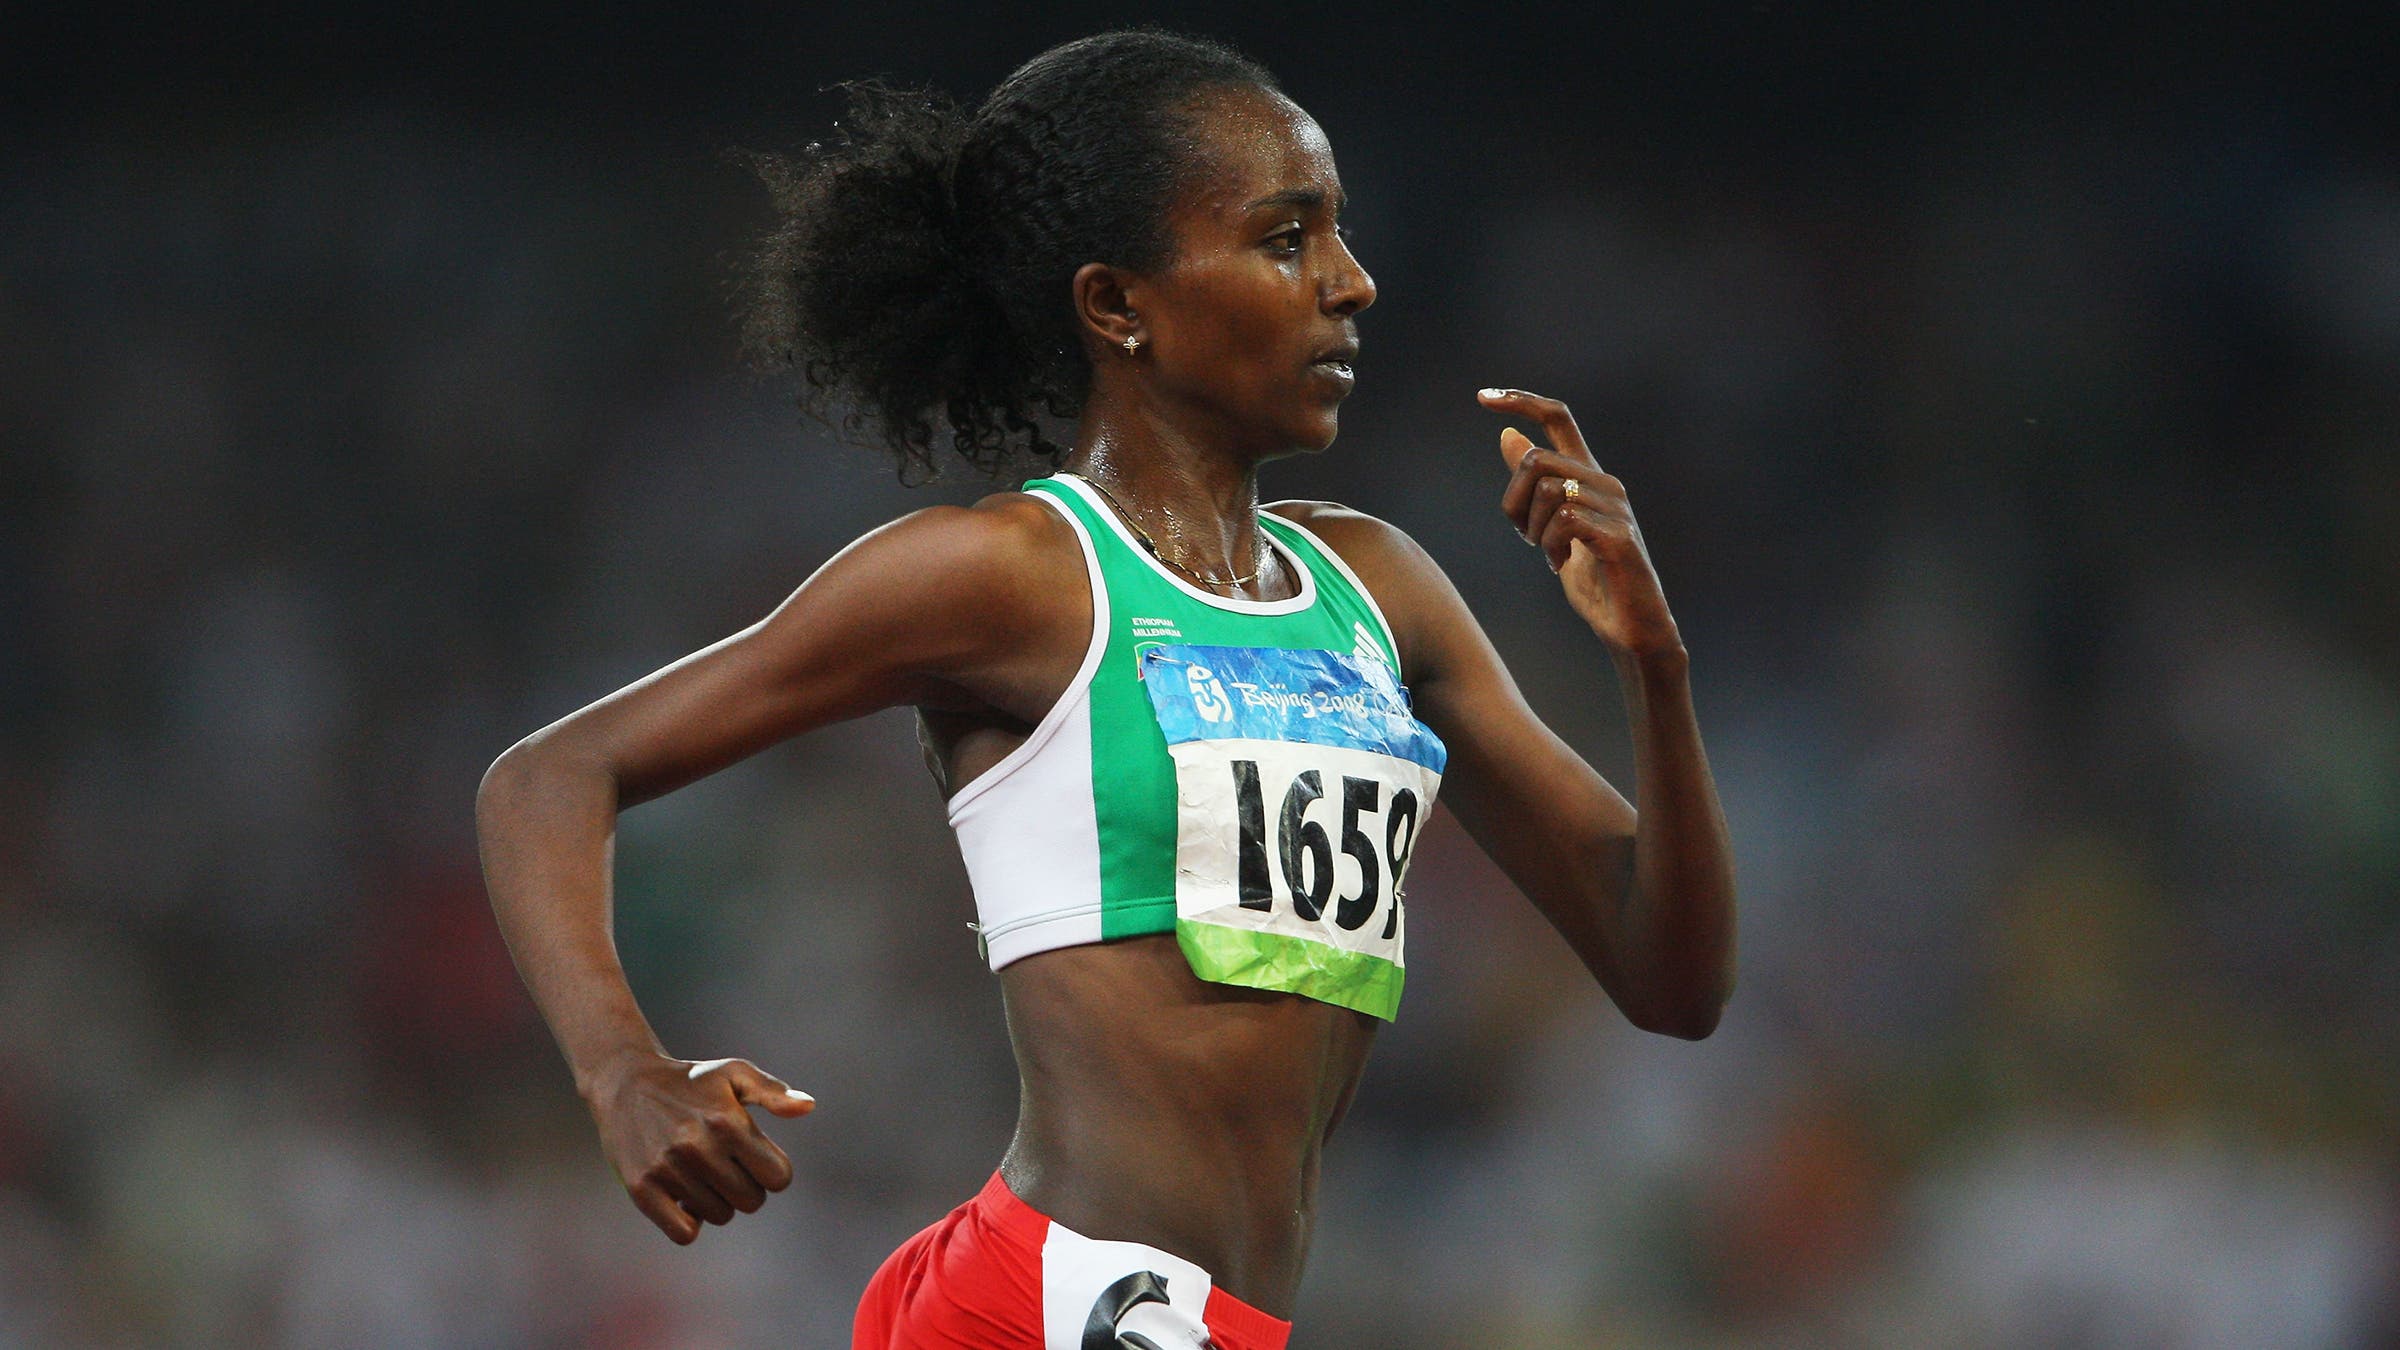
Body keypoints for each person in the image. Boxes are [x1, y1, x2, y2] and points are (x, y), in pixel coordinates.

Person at [475, 26, 1736, 1350]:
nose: (1353, 283)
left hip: (1216, 1322)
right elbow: (550, 775)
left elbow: (1672, 974)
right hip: (1059, 1302)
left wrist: (1656, 668)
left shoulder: (1382, 589)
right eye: (1287, 237)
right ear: (1117, 305)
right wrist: (623, 1069)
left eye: (1341, 234)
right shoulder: (1014, 577)